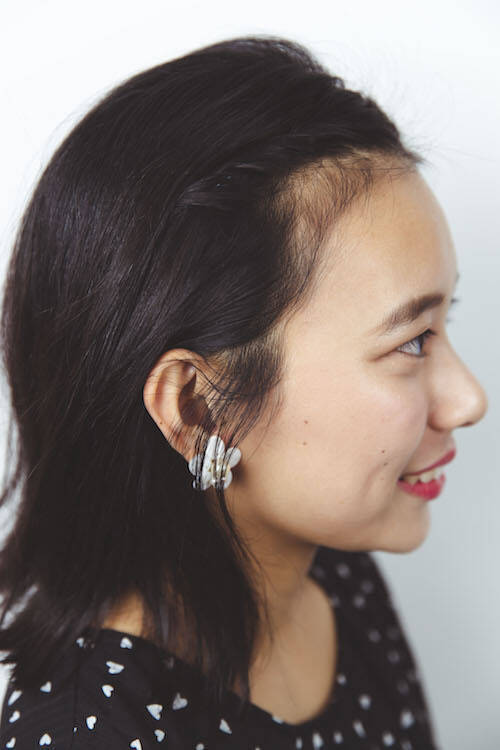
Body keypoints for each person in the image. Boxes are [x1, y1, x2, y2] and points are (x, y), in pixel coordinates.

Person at [0, 34, 487, 750]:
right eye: (411, 341)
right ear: (199, 408)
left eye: (446, 322)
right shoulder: (90, 732)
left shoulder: (334, 566)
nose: (469, 400)